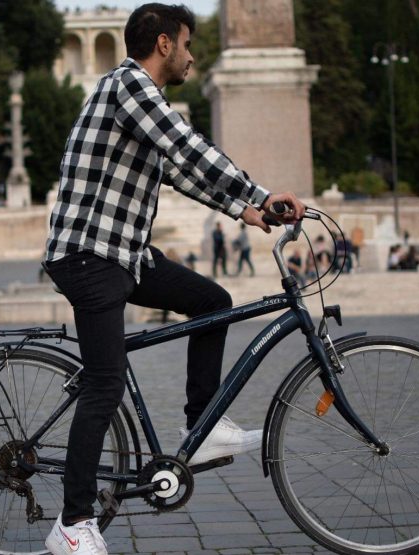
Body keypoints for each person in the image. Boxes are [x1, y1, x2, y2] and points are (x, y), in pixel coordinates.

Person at [41, 5, 305, 554]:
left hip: (124, 254)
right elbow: (186, 146)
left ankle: (201, 426)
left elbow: (179, 171)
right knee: (104, 384)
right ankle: (72, 523)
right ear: (163, 44)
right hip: (90, 257)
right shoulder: (129, 87)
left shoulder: (140, 99)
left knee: (214, 299)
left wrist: (244, 210)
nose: (191, 57)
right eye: (187, 45)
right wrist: (260, 192)